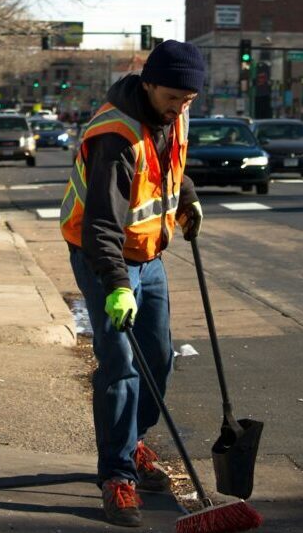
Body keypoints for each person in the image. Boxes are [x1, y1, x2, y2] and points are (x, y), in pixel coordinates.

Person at [60, 40, 205, 528]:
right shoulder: (115, 136)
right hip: (104, 259)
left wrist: (187, 198)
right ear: (149, 84)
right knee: (121, 365)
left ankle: (133, 440)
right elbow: (101, 224)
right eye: (174, 97)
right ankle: (117, 478)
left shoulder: (174, 114)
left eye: (189, 100)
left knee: (158, 358)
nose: (181, 106)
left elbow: (170, 164)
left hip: (150, 254)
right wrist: (117, 285)